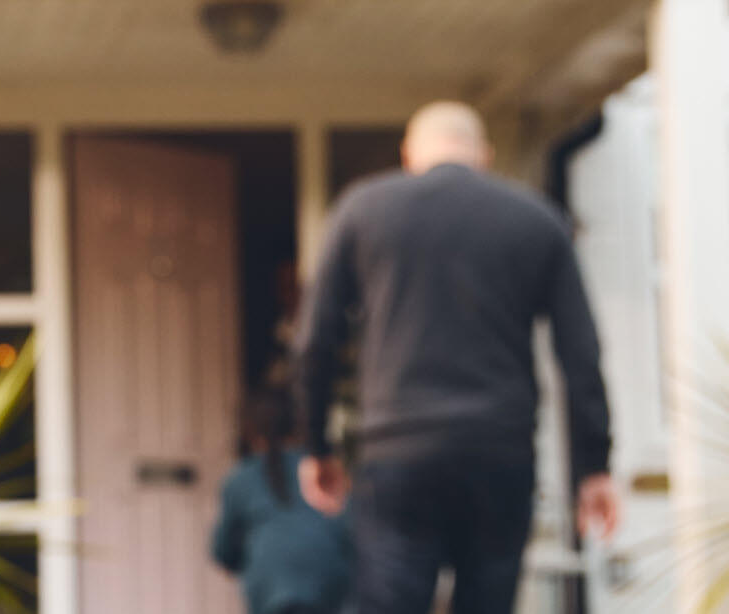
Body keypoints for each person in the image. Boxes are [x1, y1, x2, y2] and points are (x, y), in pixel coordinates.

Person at [291, 100, 620, 614]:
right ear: (483, 156)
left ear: (409, 155)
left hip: (397, 452)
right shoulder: (537, 220)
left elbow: (315, 339)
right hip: (499, 453)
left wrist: (316, 445)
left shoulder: (363, 210)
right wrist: (593, 466)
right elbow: (579, 351)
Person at [211, 389, 352, 614]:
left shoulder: (240, 479)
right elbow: (351, 533)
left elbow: (222, 551)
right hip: (329, 585)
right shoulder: (324, 472)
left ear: (249, 430)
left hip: (269, 589)